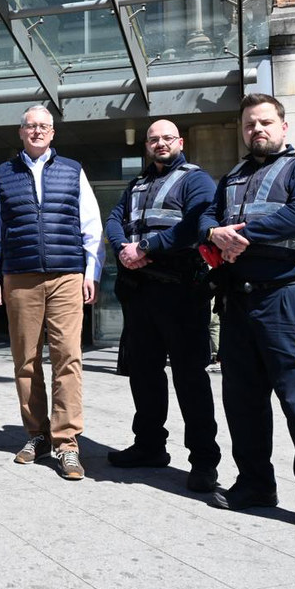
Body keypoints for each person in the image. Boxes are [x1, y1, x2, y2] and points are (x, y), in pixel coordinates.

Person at [200, 92, 295, 544]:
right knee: (242, 404)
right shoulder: (233, 176)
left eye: (265, 122)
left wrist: (239, 236)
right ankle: (255, 485)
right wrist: (213, 230)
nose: (257, 130)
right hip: (239, 303)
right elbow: (208, 212)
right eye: (249, 125)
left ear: (283, 127)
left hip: (290, 300)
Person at [0, 105, 104, 481]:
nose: (37, 131)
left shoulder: (73, 170)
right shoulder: (3, 174)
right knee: (26, 360)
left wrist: (92, 271)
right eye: (30, 126)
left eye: (44, 126)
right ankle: (36, 435)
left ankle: (66, 443)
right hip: (19, 277)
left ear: (53, 133)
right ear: (20, 132)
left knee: (68, 357)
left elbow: (92, 226)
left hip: (67, 275)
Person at [105, 119, 222, 491]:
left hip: (181, 292)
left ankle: (204, 462)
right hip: (140, 292)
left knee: (190, 378)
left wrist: (145, 248)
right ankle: (149, 446)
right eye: (153, 139)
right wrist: (122, 248)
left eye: (166, 138)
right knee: (144, 374)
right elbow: (114, 218)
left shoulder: (196, 179)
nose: (159, 143)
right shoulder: (138, 182)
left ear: (180, 141)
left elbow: (194, 224)